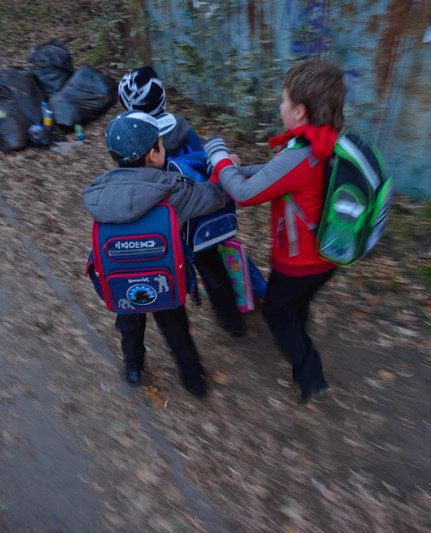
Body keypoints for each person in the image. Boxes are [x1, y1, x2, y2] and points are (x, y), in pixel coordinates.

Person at [202, 59, 346, 402]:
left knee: (276, 315)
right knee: (296, 305)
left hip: (299, 263)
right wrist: (234, 169)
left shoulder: (300, 155)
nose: (279, 106)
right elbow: (273, 173)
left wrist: (219, 158)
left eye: (283, 100)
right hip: (323, 257)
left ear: (299, 111)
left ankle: (312, 378)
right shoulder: (320, 142)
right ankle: (297, 334)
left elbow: (245, 194)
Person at [83, 110, 228, 398]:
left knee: (129, 321)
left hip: (120, 274)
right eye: (161, 145)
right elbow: (216, 197)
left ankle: (133, 369)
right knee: (176, 329)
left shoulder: (100, 193)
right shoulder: (174, 192)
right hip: (163, 275)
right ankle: (194, 382)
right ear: (153, 154)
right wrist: (224, 168)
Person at [118, 66, 245, 337]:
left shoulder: (139, 145)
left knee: (167, 277)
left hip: (167, 225)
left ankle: (179, 335)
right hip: (200, 216)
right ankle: (233, 323)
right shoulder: (184, 129)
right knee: (214, 270)